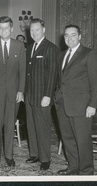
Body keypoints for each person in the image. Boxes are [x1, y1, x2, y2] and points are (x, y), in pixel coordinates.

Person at [54, 24, 97, 175]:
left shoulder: (89, 54)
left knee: (82, 140)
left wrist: (92, 105)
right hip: (63, 105)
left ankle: (86, 170)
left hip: (82, 106)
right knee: (68, 138)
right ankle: (73, 167)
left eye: (73, 35)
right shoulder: (61, 55)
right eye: (66, 35)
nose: (69, 38)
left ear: (80, 36)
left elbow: (96, 83)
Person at [0, 16, 26, 167]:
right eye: (0, 28)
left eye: (6, 28)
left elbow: (22, 71)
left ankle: (9, 156)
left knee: (10, 125)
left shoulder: (19, 46)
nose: (3, 30)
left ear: (11, 29)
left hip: (13, 93)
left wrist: (21, 91)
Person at [24, 18, 59, 171]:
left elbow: (52, 74)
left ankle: (45, 158)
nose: (34, 33)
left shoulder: (51, 48)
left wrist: (48, 95)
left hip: (43, 96)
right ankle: (35, 154)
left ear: (44, 30)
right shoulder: (30, 47)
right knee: (31, 126)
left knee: (43, 127)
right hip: (29, 95)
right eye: (31, 30)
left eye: (37, 30)